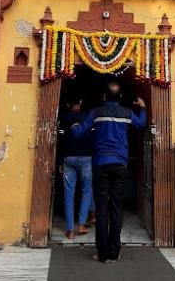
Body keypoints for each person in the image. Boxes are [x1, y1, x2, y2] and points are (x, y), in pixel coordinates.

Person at [72, 81, 146, 262]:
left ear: (104, 96)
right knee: (116, 208)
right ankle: (115, 252)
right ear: (120, 97)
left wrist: (74, 125)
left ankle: (102, 253)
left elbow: (78, 132)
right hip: (120, 165)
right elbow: (140, 125)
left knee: (102, 208)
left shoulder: (96, 113)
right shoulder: (127, 113)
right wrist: (143, 108)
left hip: (101, 165)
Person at [58, 97, 95, 239]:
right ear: (80, 102)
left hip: (68, 158)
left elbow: (60, 141)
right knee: (86, 191)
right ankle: (81, 224)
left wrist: (60, 161)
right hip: (86, 158)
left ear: (68, 103)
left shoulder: (64, 118)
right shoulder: (87, 117)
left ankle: (70, 230)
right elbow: (93, 137)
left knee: (69, 194)